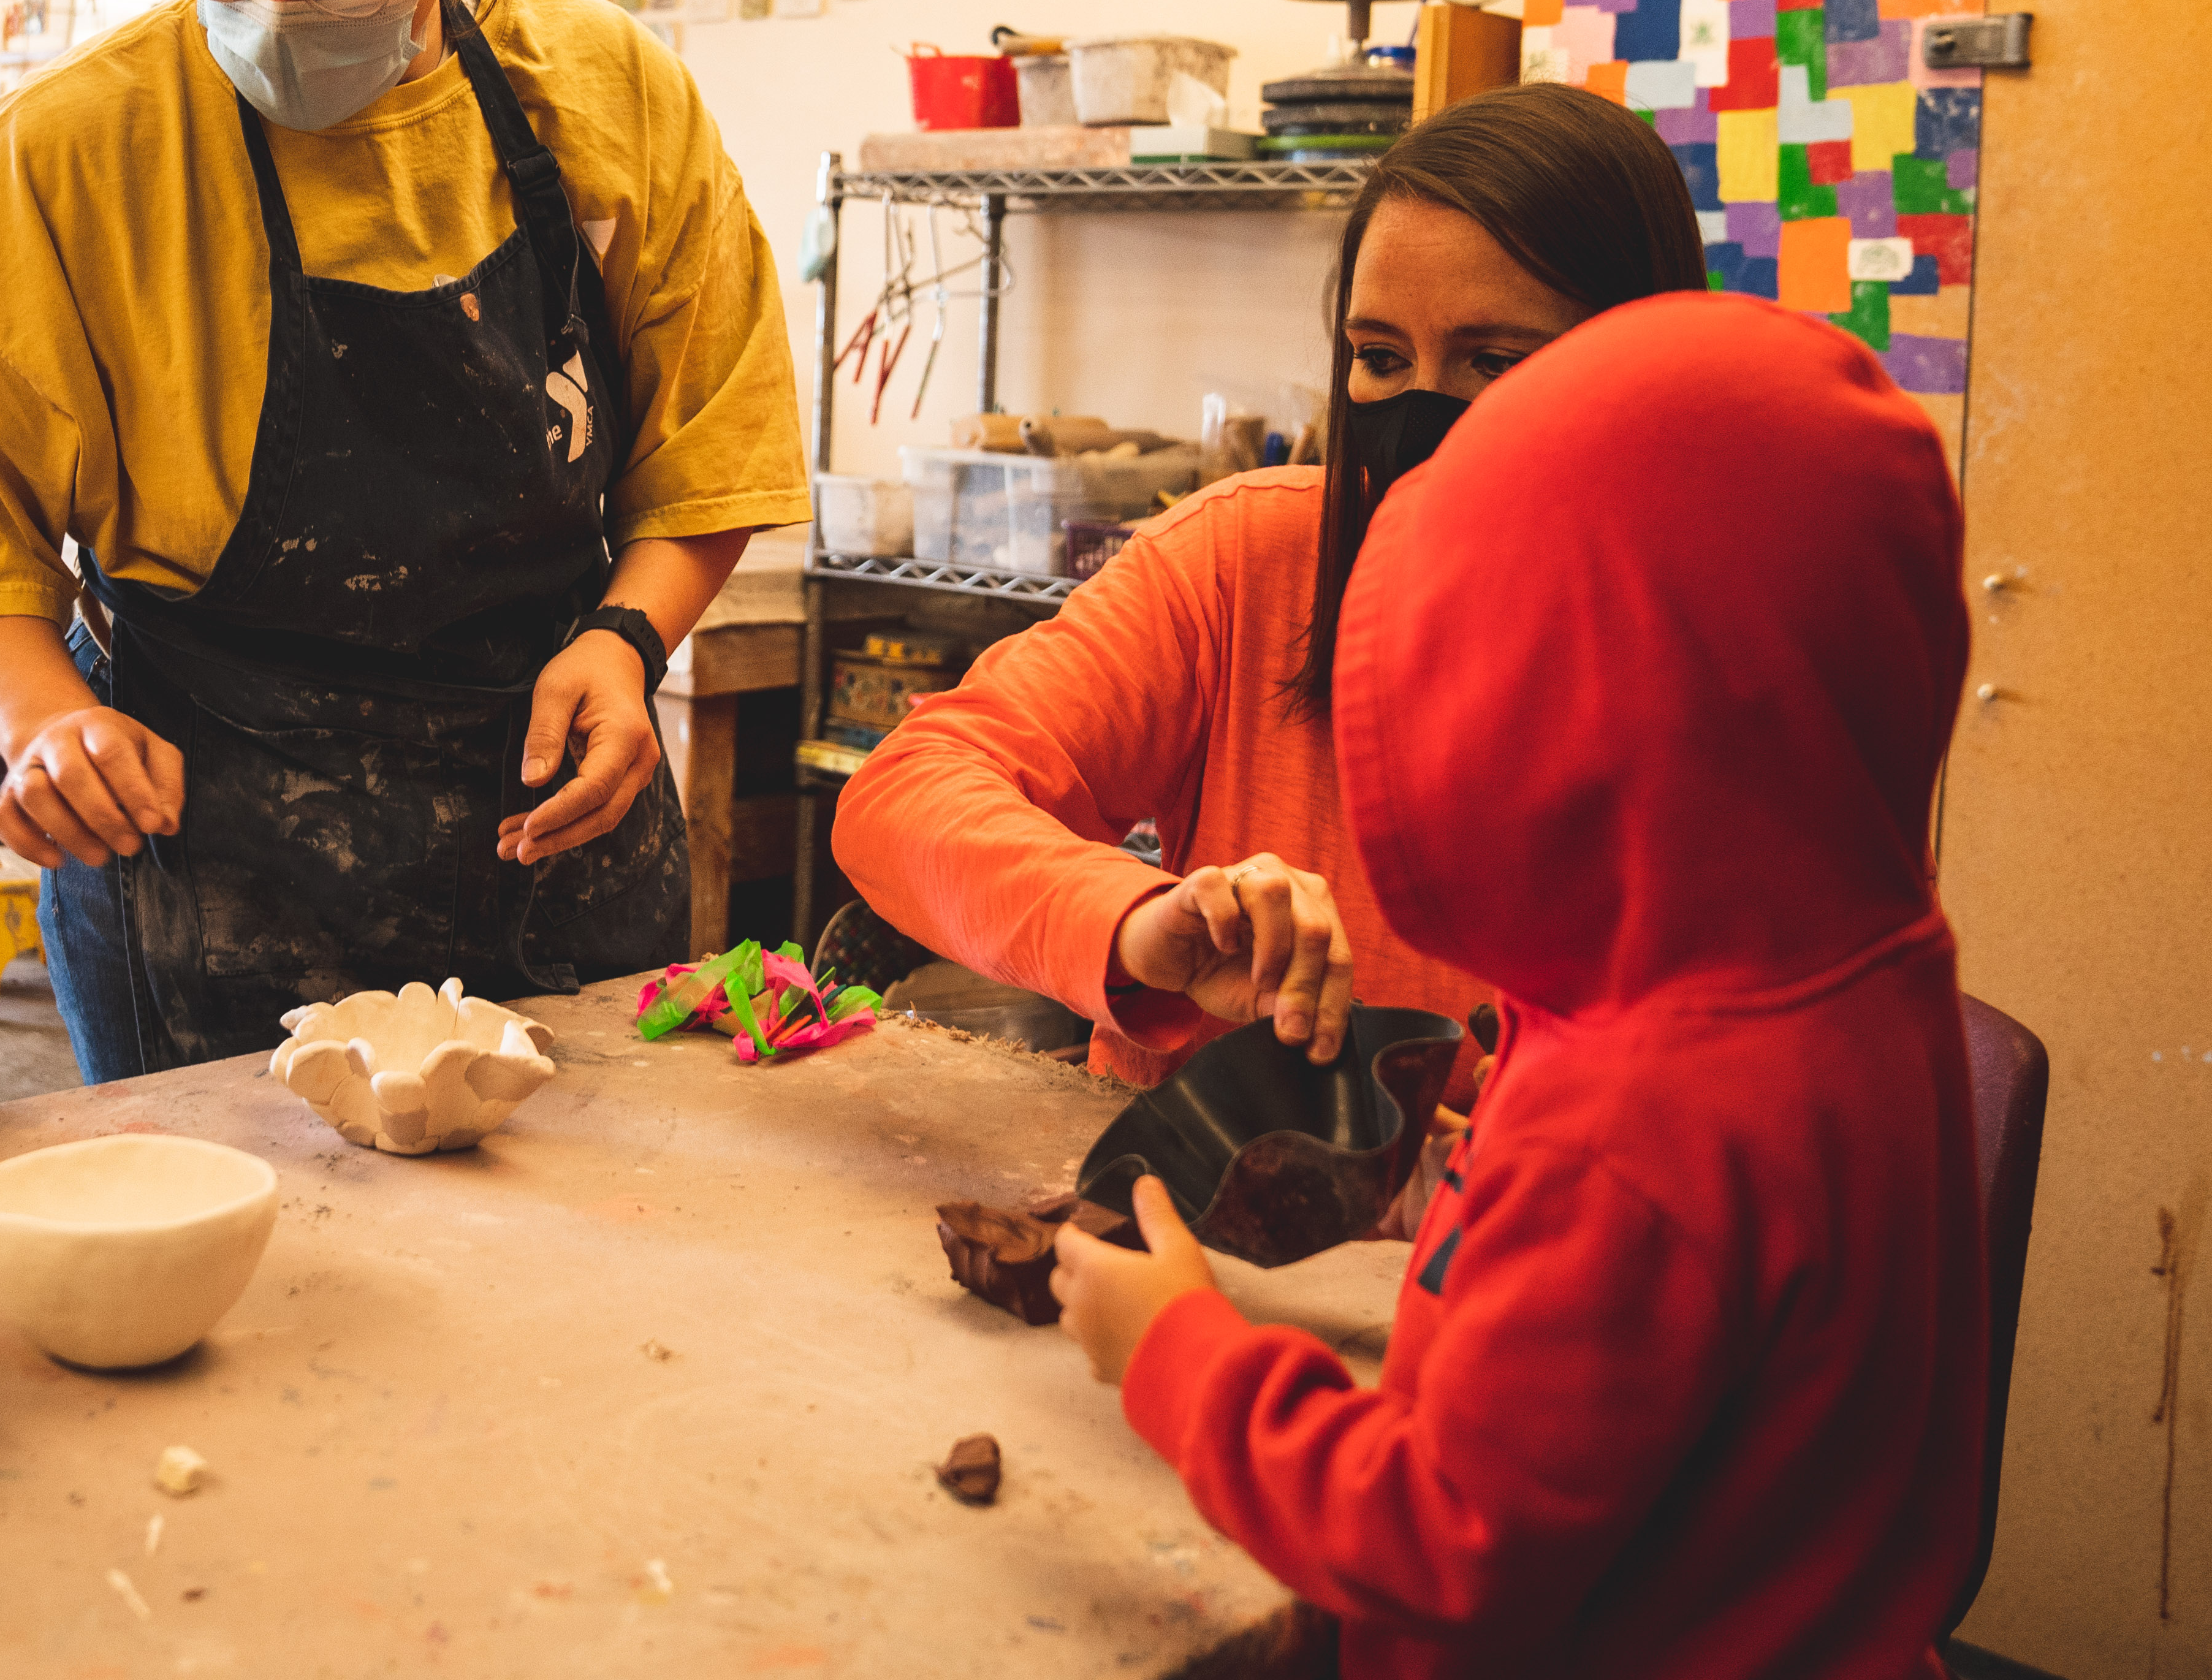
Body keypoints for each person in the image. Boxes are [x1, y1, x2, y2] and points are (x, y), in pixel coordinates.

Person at [0, 0, 808, 1080]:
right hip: (208, 856)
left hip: (555, 805)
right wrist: (46, 721)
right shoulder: (73, 153)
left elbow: (712, 447)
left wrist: (630, 641)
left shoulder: (609, 95)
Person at [1049, 292, 1986, 1678]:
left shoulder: (1632, 1125)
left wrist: (1182, 1360)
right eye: (1380, 354)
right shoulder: (1861, 969)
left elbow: (1443, 1536)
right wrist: (1470, 1176)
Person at [834, 85, 1706, 1087]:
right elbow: (904, 795)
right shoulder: (1248, 561)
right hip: (1176, 1228)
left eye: (1495, 360)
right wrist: (1134, 920)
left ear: (1641, 365)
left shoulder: (1719, 665)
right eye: (1379, 357)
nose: (1422, 410)